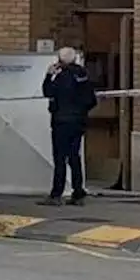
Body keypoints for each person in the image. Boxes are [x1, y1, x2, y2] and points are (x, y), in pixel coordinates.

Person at [43, 47, 97, 206]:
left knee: (60, 158)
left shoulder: (61, 77)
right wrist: (81, 112)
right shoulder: (83, 75)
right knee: (74, 157)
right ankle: (78, 192)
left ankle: (56, 194)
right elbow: (91, 100)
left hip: (61, 122)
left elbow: (48, 92)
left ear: (60, 61)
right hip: (78, 123)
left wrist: (48, 75)